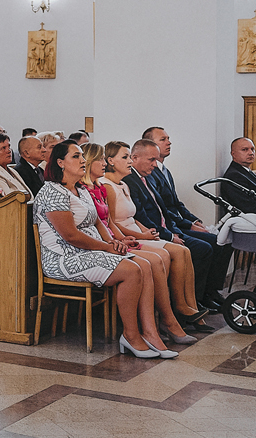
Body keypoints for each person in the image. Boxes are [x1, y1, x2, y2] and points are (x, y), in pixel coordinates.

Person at [37, 141, 176, 359]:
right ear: (60, 162)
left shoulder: (81, 189)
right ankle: (130, 335)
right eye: (76, 156)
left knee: (145, 264)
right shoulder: (51, 191)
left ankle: (151, 332)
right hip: (65, 258)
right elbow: (70, 236)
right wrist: (107, 247)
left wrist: (114, 242)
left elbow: (98, 222)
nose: (83, 160)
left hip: (91, 251)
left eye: (82, 156)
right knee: (132, 271)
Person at [80, 145, 195, 345]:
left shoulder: (100, 187)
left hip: (117, 238)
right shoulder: (94, 188)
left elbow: (110, 222)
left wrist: (130, 236)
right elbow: (99, 225)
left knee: (169, 255)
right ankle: (159, 323)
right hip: (105, 243)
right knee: (155, 260)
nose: (104, 163)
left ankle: (169, 316)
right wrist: (121, 240)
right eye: (101, 159)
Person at [100, 142, 207, 329]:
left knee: (183, 251)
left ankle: (189, 305)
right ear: (110, 161)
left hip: (137, 232)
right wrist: (142, 235)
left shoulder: (123, 184)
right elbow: (112, 223)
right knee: (169, 253)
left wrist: (145, 231)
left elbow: (133, 216)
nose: (130, 161)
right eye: (125, 157)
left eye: (129, 156)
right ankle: (172, 311)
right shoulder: (107, 186)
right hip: (126, 236)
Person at [126, 137, 228, 310]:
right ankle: (193, 300)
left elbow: (164, 209)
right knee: (203, 248)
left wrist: (181, 227)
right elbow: (142, 217)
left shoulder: (147, 177)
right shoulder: (130, 181)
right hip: (153, 233)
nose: (154, 164)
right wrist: (170, 235)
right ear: (135, 157)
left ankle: (204, 295)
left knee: (217, 241)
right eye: (151, 160)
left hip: (169, 228)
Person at [0, 132, 30, 200]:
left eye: (9, 147)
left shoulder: (12, 170)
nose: (9, 151)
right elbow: (7, 199)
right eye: (3, 148)